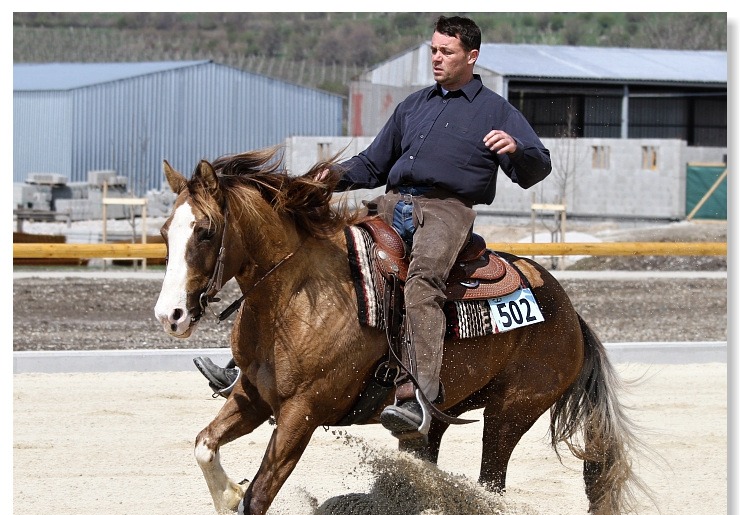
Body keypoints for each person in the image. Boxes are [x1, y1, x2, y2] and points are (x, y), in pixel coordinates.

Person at [195, 15, 552, 441]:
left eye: (447, 52)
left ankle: (418, 397)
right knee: (317, 253)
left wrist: (515, 149)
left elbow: (537, 166)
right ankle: (246, 369)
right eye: (433, 50)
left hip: (446, 212)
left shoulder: (497, 111)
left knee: (422, 282)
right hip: (391, 203)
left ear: (471, 56)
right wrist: (331, 176)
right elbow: (373, 164)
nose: (436, 58)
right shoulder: (414, 105)